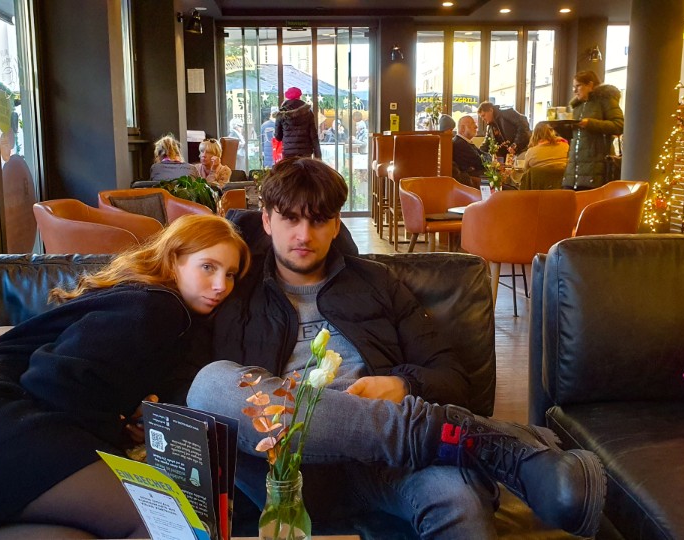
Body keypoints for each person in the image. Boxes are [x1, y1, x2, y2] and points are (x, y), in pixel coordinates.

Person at [187, 158, 606, 539]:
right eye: (290, 218)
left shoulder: (377, 282)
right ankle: (467, 438)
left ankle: (437, 436)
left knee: (460, 501)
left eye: (319, 220)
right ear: (266, 220)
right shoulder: (234, 289)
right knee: (209, 385)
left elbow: (454, 379)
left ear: (336, 224)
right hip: (284, 472)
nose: (304, 234)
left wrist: (403, 385)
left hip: (391, 466)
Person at [0, 215, 251, 539]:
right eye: (208, 267)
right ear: (173, 260)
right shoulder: (157, 305)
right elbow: (50, 381)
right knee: (168, 521)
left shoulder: (149, 304)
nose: (221, 285)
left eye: (231, 274)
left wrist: (125, 417)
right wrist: (116, 430)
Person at [562, 71, 624, 190]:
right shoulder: (577, 107)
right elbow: (573, 136)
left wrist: (590, 123)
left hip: (596, 169)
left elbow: (619, 125)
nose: (574, 91)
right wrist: (560, 128)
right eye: (573, 87)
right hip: (573, 173)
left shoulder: (605, 100)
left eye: (578, 86)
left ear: (590, 85)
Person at [275, 87, 321, 159]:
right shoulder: (308, 112)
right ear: (300, 96)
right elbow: (314, 136)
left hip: (288, 153)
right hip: (305, 153)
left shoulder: (282, 113)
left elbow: (278, 137)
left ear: (287, 97)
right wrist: (318, 156)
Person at [452, 115, 487, 185]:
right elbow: (480, 163)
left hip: (479, 175)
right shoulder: (460, 144)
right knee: (503, 184)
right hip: (473, 180)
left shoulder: (466, 141)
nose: (476, 127)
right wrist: (490, 160)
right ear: (463, 128)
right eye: (472, 124)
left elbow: (483, 154)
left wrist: (489, 159)